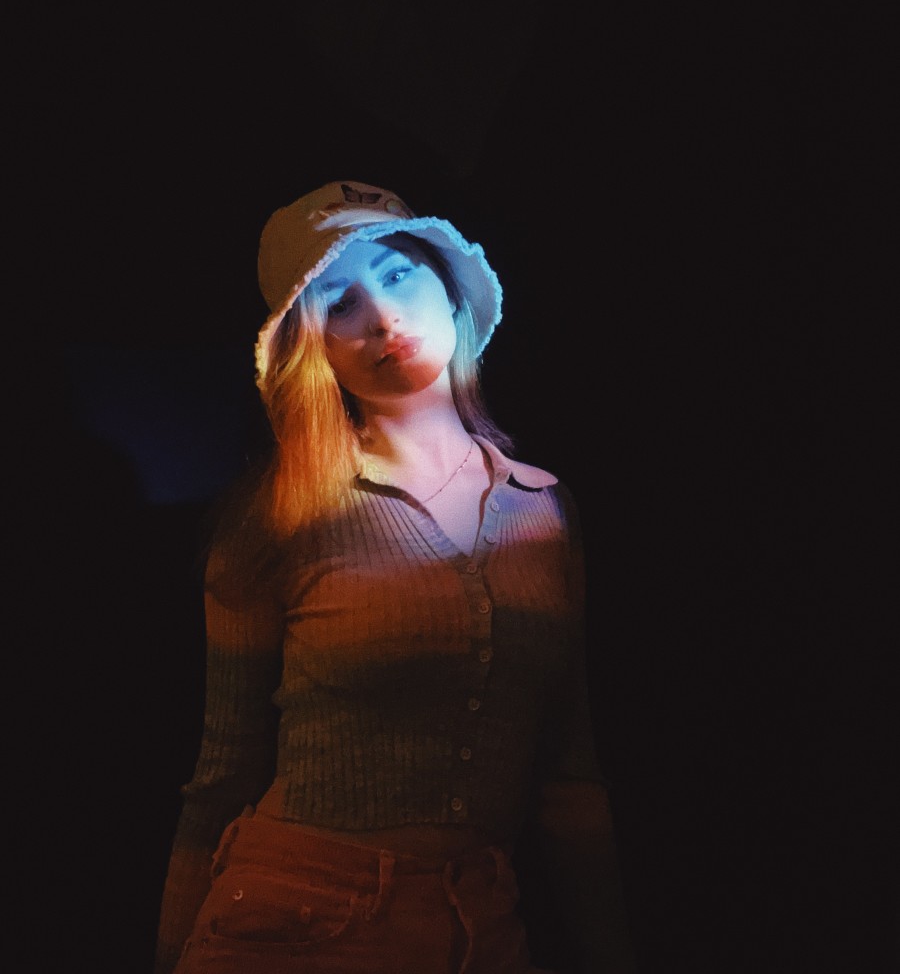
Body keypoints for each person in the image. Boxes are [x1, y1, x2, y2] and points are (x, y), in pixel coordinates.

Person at [153, 179, 637, 974]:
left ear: (449, 290)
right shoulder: (279, 516)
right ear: (314, 348)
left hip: (480, 927)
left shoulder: (545, 510)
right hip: (291, 921)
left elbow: (571, 776)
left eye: (399, 275)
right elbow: (221, 776)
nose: (382, 317)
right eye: (340, 303)